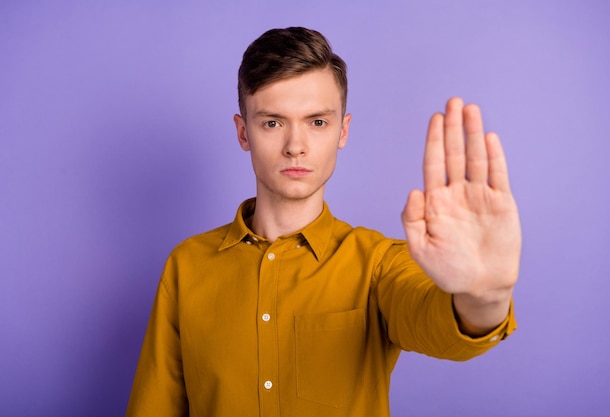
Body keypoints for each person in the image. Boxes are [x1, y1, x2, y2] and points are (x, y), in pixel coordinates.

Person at [126, 27, 521, 417]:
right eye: (272, 122)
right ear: (243, 132)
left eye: (317, 122)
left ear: (342, 131)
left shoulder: (378, 265)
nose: (295, 145)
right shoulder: (187, 265)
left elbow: (443, 328)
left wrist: (484, 295)